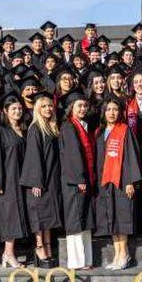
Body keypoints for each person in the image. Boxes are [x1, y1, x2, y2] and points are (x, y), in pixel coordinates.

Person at [93, 96, 142, 270]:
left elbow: (131, 156)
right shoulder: (100, 132)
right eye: (108, 110)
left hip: (121, 182)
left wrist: (130, 181)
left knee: (121, 218)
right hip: (106, 183)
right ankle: (117, 254)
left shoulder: (125, 130)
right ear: (104, 112)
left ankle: (124, 254)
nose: (111, 113)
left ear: (120, 112)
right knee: (111, 219)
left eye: (115, 109)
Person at [0, 94, 31, 268]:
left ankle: (9, 253)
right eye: (13, 109)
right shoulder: (0, 131)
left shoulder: (24, 130)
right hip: (7, 180)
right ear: (5, 111)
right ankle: (8, 253)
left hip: (22, 179)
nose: (17, 111)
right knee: (9, 217)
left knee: (19, 216)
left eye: (19, 108)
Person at [20, 93, 64, 267]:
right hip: (39, 181)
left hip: (51, 179)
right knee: (39, 216)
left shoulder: (52, 128)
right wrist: (36, 182)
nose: (48, 109)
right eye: (44, 106)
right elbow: (33, 156)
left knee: (48, 216)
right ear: (37, 109)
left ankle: (47, 244)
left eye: (50, 106)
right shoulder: (35, 128)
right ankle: (39, 247)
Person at [58, 90, 96, 269]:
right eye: (79, 106)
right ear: (71, 108)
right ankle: (76, 261)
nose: (83, 108)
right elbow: (72, 155)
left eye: (85, 106)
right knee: (75, 221)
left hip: (84, 179)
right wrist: (80, 178)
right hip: (74, 181)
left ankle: (87, 260)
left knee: (85, 220)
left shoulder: (83, 125)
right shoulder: (68, 126)